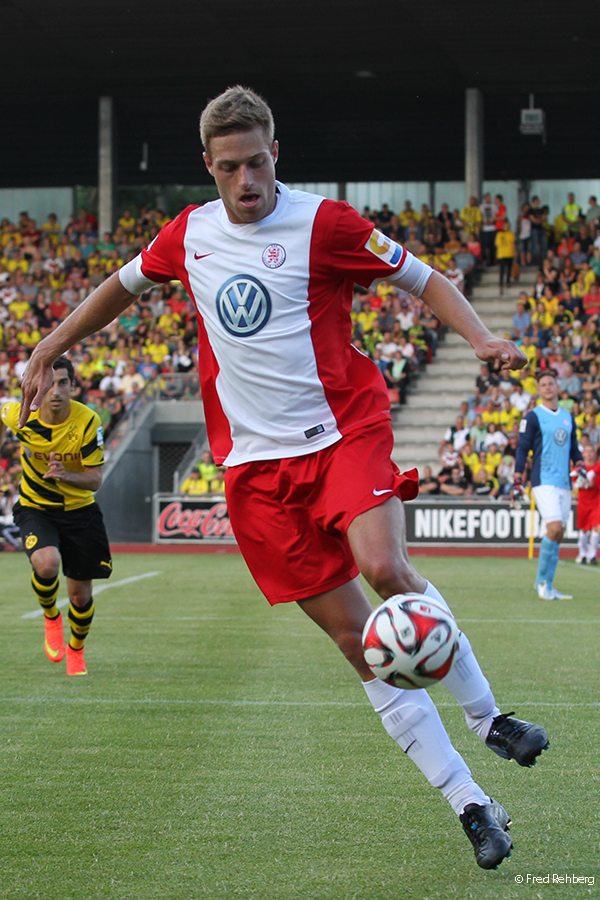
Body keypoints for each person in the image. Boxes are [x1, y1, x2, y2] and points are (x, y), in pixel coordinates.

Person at [19, 85, 548, 870]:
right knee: (357, 645)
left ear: (277, 153)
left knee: (383, 567)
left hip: (342, 434)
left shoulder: (325, 224)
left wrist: (478, 337)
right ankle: (471, 803)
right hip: (256, 475)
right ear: (209, 166)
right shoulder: (187, 235)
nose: (246, 181)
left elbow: (423, 277)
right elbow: (118, 290)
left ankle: (487, 715)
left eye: (258, 162)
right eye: (229, 167)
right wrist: (45, 347)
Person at [0, 356, 112, 675]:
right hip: (36, 507)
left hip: (80, 512)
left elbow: (95, 478)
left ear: (73, 386)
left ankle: (76, 649)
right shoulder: (22, 413)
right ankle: (51, 617)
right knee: (46, 563)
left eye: (63, 382)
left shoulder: (88, 421)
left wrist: (66, 475)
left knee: (80, 596)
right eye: (49, 383)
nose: (56, 391)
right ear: (38, 386)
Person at [514, 370, 583, 600]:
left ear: (557, 386)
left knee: (559, 532)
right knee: (554, 528)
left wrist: (580, 464)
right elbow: (523, 449)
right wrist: (517, 478)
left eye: (551, 383)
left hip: (564, 482)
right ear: (538, 389)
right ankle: (542, 583)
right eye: (543, 384)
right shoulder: (532, 417)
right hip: (543, 481)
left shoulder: (567, 416)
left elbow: (573, 447)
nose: (548, 387)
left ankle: (549, 585)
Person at [574, 445, 600, 565]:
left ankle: (592, 555)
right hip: (583, 501)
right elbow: (574, 484)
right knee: (583, 529)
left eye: (591, 451)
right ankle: (582, 553)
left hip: (597, 501)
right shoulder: (579, 468)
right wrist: (584, 484)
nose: (589, 454)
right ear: (583, 454)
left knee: (597, 527)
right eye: (587, 451)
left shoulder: (597, 467)